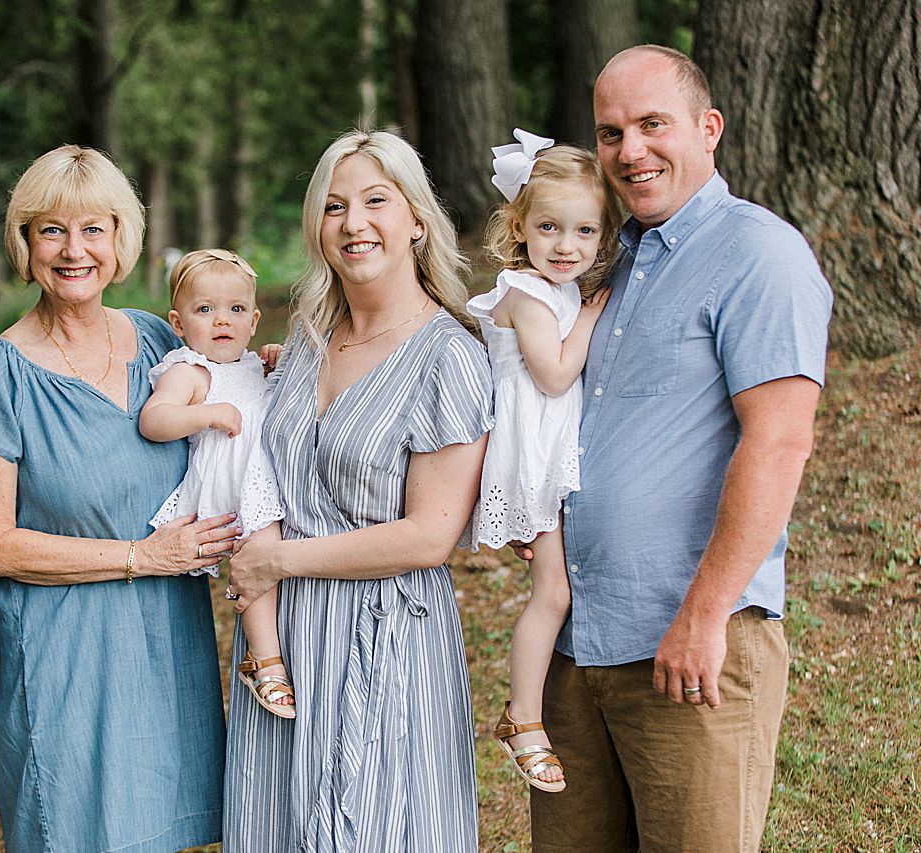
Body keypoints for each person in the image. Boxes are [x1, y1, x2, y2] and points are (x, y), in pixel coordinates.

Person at [525, 45, 833, 852]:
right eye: (610, 132)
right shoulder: (605, 261)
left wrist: (704, 615)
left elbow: (779, 442)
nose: (630, 151)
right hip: (576, 647)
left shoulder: (758, 255)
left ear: (709, 128)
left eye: (651, 124)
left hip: (690, 648)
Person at [0, 144, 233, 853]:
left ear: (120, 239)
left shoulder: (162, 340)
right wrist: (140, 554)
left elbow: (237, 398)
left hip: (166, 644)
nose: (74, 250)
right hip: (64, 656)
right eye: (52, 230)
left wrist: (262, 365)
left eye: (94, 228)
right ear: (25, 243)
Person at [223, 129, 493, 852]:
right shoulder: (307, 334)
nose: (354, 222)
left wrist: (273, 563)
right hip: (282, 637)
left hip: (386, 630)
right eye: (335, 205)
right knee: (274, 826)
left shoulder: (450, 358)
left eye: (376, 200)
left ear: (416, 219)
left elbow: (429, 534)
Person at [468, 132, 622, 793]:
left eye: (584, 230)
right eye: (550, 227)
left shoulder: (550, 289)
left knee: (558, 587)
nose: (567, 245)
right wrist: (593, 313)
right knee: (551, 592)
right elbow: (555, 375)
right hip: (529, 456)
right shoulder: (527, 294)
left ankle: (535, 711)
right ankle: (522, 717)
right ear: (519, 226)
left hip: (551, 450)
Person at [139, 248, 293, 719]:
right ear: (178, 322)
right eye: (205, 310)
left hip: (268, 478)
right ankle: (265, 661)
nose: (221, 320)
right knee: (261, 555)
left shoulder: (253, 365)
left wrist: (279, 362)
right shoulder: (189, 370)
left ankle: (277, 650)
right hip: (232, 485)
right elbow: (154, 419)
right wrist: (203, 413)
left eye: (236, 310)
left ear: (253, 320)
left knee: (280, 565)